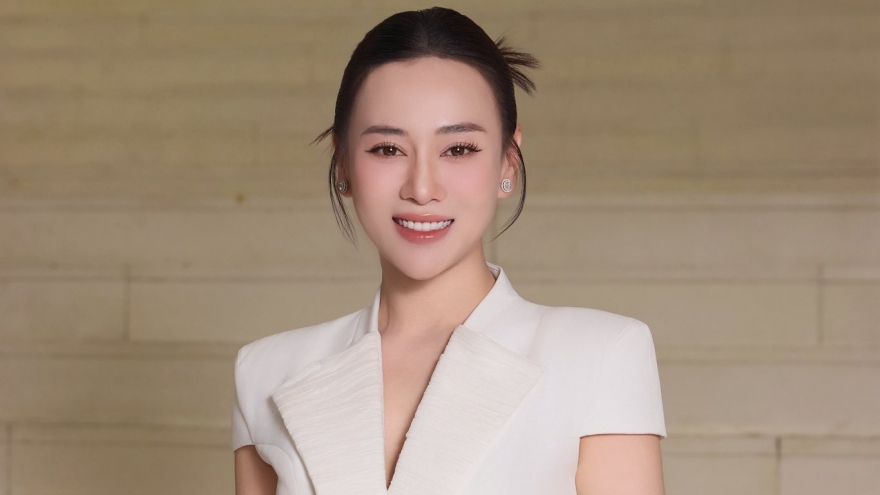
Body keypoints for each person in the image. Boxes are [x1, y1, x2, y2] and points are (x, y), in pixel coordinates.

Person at [232, 7, 667, 495]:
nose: (422, 188)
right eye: (387, 149)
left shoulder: (600, 355)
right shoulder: (266, 371)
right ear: (343, 165)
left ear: (508, 160)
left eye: (458, 149)